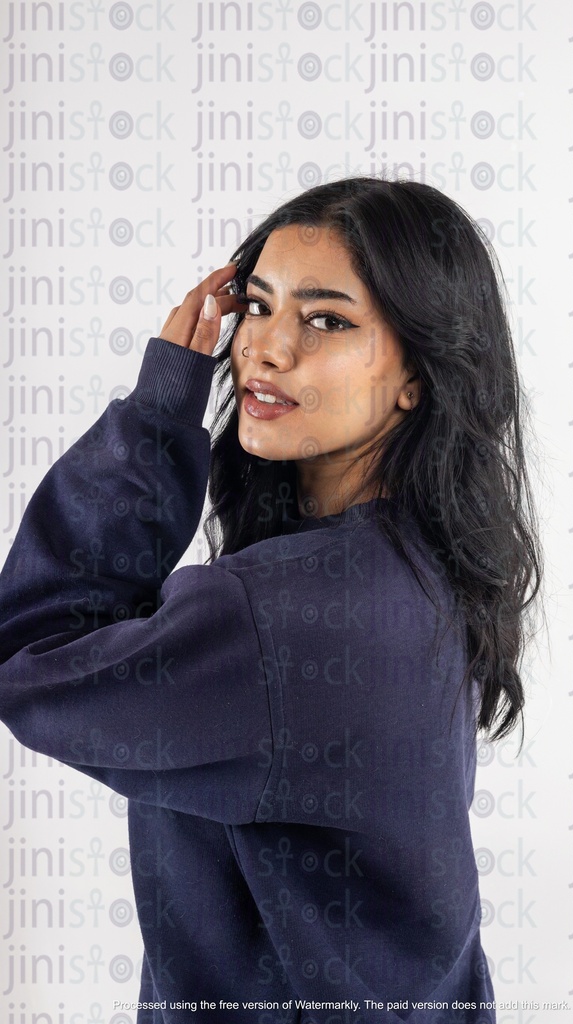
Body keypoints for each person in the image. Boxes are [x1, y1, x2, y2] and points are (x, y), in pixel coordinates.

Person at [0, 177, 542, 1024]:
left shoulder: (278, 614)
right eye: (256, 305)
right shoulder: (426, 567)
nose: (266, 348)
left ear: (416, 376)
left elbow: (24, 660)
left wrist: (156, 413)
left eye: (326, 319)